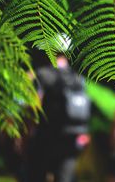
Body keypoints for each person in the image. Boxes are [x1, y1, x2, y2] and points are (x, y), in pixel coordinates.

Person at [26, 54, 91, 182]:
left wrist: (27, 132)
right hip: (72, 138)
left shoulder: (43, 74)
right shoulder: (78, 78)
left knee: (36, 175)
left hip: (45, 136)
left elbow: (33, 106)